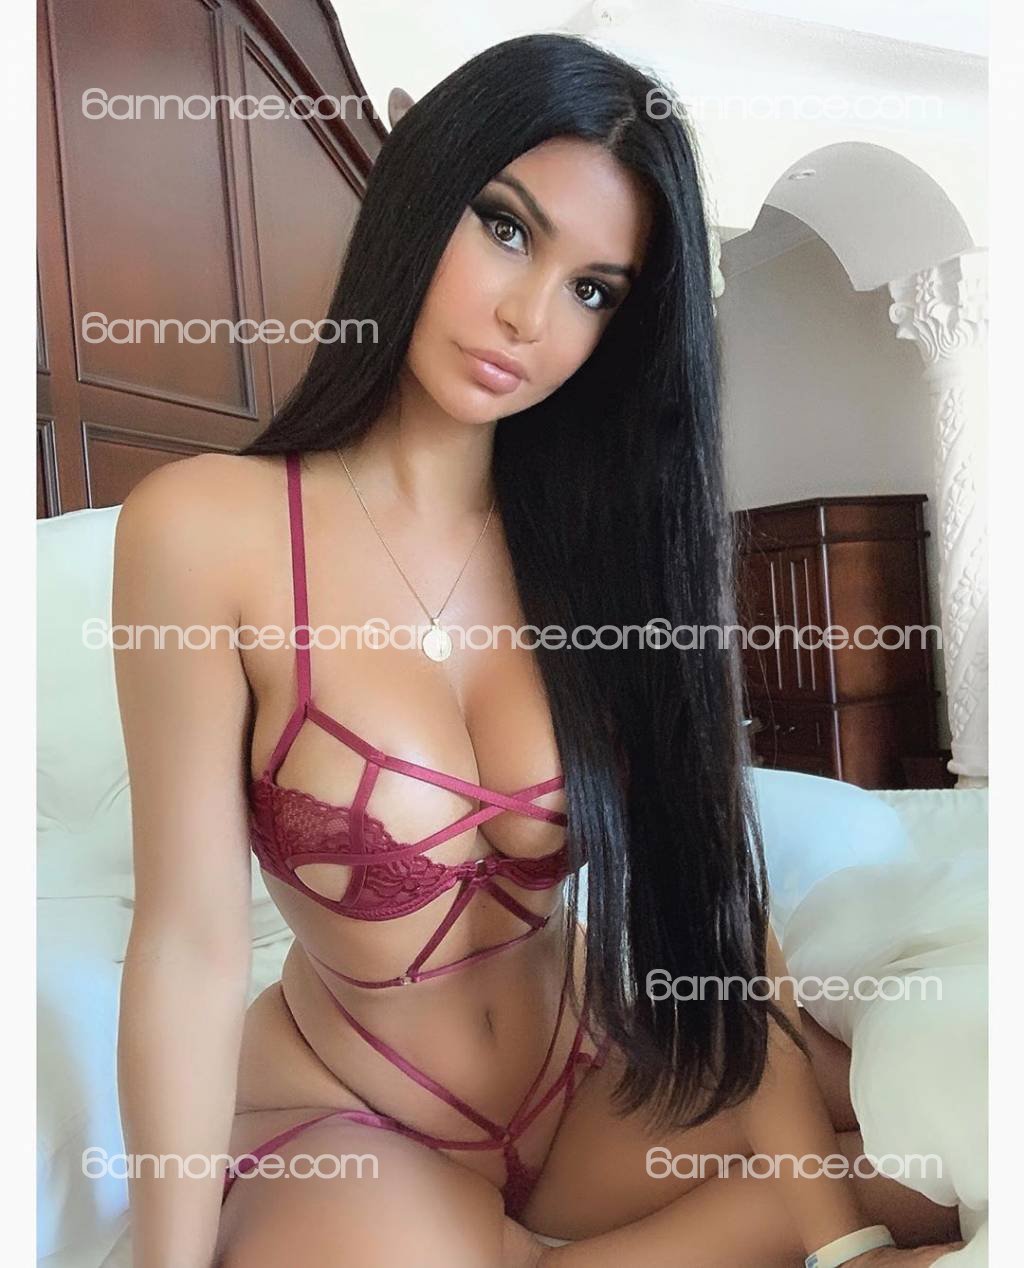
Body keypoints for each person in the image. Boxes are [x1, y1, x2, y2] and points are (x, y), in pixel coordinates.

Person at [113, 31, 964, 1268]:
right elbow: (188, 943)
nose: (527, 316)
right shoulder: (203, 529)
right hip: (352, 1115)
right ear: (421, 193)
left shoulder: (607, 553)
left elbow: (720, 921)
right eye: (507, 228)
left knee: (939, 1155)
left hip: (590, 1076)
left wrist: (843, 1242)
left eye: (593, 290)